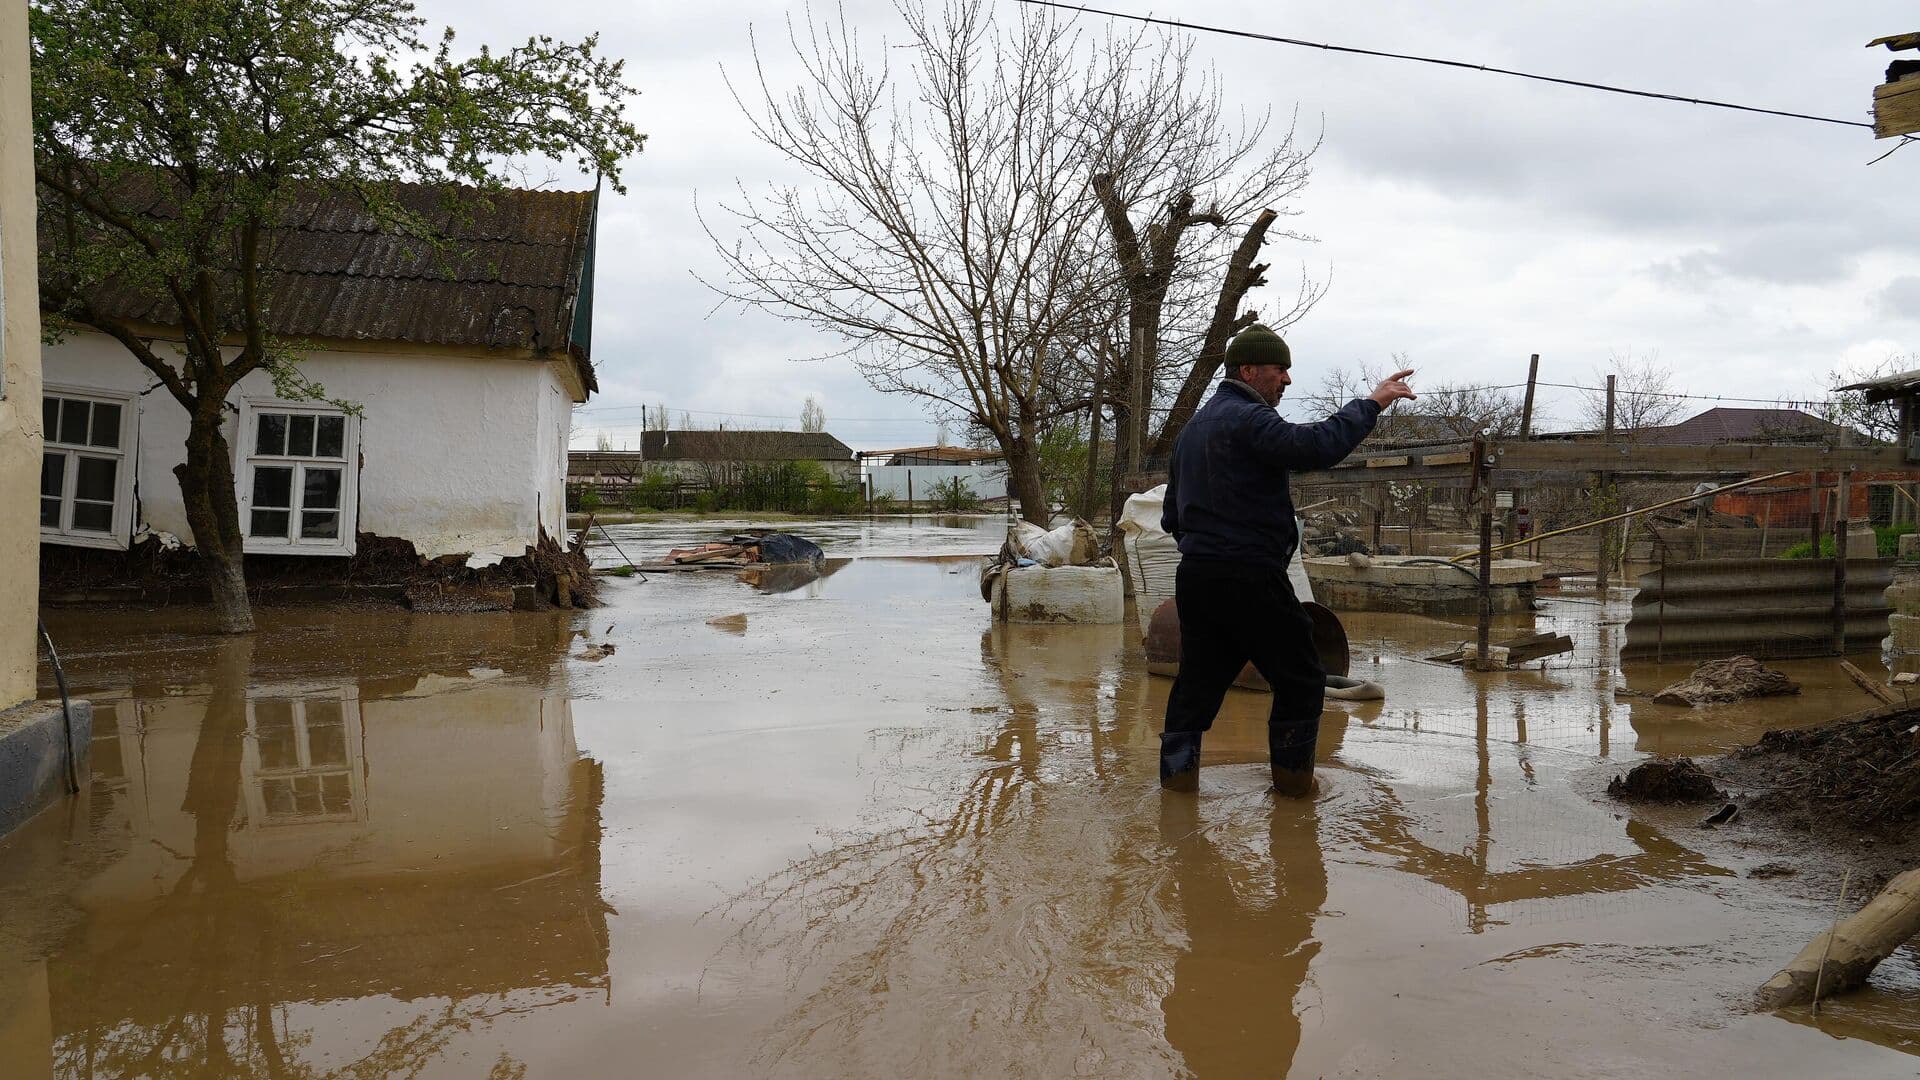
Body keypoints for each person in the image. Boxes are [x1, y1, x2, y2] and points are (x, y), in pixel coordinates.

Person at [1159, 324, 1414, 796]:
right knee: (1301, 677)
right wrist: (1373, 403)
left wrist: (1206, 551)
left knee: (1197, 681)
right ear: (1249, 370)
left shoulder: (1192, 430)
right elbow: (1315, 447)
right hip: (1250, 575)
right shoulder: (1248, 419)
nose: (1288, 380)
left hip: (1197, 578)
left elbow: (1171, 514)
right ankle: (1296, 793)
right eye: (1281, 370)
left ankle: (1177, 790)